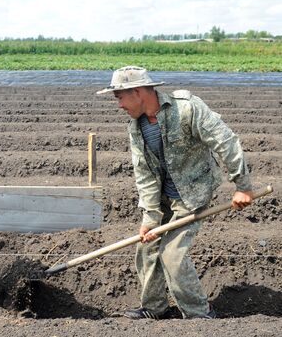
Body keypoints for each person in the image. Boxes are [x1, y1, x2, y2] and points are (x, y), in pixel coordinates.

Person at [96, 66, 254, 319]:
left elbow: (225, 141)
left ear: (136, 92)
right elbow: (145, 174)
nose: (119, 105)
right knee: (146, 247)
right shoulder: (136, 128)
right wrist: (150, 217)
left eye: (119, 97)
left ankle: (199, 314)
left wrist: (243, 186)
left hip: (192, 193)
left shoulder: (186, 109)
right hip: (163, 195)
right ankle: (154, 308)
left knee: (173, 253)